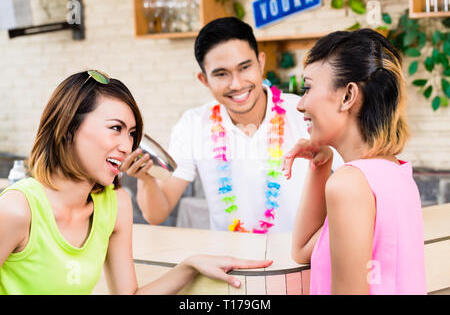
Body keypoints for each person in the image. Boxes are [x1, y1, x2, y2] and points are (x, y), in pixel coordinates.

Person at [0, 70, 272, 295]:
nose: (127, 146)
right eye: (115, 128)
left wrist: (188, 266)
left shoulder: (115, 204)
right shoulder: (17, 210)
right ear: (69, 128)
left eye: (131, 134)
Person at [121, 17, 342, 234]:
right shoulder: (193, 124)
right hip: (229, 264)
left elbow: (358, 175)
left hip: (300, 259)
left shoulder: (304, 112)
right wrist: (146, 179)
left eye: (244, 68)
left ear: (261, 62)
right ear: (204, 80)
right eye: (221, 74)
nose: (236, 84)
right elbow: (156, 214)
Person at [283, 29, 426, 294]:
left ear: (348, 96)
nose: (300, 104)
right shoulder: (395, 172)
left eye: (308, 88)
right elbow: (303, 250)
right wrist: (321, 163)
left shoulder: (349, 184)